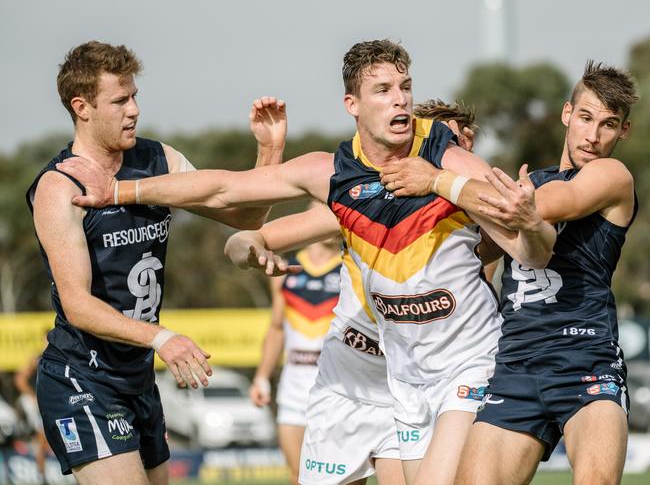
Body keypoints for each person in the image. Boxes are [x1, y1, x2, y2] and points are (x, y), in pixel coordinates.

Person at [57, 39, 556, 485]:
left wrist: (489, 204)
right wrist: (121, 192)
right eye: (383, 90)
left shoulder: (448, 164)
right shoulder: (335, 175)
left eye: (405, 87)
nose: (400, 98)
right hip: (395, 374)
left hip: (464, 361)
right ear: (352, 105)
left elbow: (532, 249)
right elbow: (227, 189)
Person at [26, 41, 283, 485]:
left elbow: (243, 214)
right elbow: (77, 305)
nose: (134, 111)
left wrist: (269, 154)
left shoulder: (158, 160)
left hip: (138, 380)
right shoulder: (58, 186)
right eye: (120, 100)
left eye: (135, 96)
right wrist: (163, 338)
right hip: (82, 378)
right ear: (81, 107)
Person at [380, 60, 638, 485]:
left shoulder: (612, 176)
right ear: (567, 114)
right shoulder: (528, 180)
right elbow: (474, 258)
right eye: (586, 118)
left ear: (622, 131)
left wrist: (436, 178)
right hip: (515, 365)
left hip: (585, 361)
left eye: (608, 125)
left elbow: (545, 205)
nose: (593, 136)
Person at [226, 99, 482, 485]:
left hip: (413, 383)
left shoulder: (480, 216)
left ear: (468, 144)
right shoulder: (364, 204)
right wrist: (251, 245)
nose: (437, 153)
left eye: (450, 143)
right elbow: (251, 234)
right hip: (350, 373)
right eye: (431, 142)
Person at [249, 236, 342, 485]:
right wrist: (261, 377)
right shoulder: (285, 269)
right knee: (298, 475)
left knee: (338, 475)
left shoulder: (349, 267)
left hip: (336, 386)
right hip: (294, 387)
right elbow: (277, 327)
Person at [14, 346, 51, 485]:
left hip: (53, 403)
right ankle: (41, 476)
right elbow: (20, 379)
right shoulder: (37, 358)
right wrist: (33, 396)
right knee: (42, 438)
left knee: (46, 439)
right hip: (40, 405)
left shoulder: (59, 355)